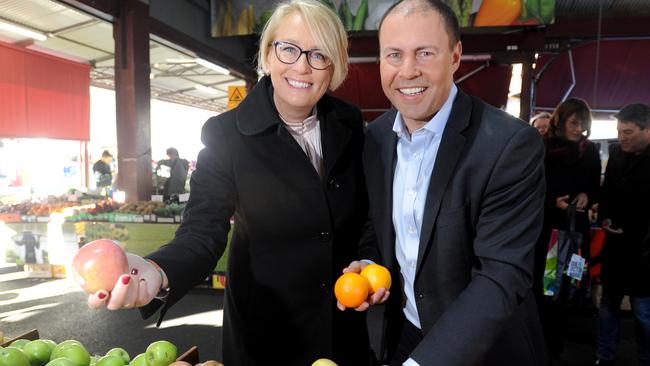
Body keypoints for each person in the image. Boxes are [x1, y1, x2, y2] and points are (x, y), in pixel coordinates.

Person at [77, 1, 373, 365]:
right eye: (288, 48)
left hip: (344, 327)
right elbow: (203, 232)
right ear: (268, 52)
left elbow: (365, 214)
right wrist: (158, 270)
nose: (302, 66)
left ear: (335, 66)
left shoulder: (348, 122)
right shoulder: (226, 135)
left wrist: (369, 261)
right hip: (268, 334)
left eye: (319, 55)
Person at [348, 1, 548, 365]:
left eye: (424, 53)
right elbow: (378, 226)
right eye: (394, 55)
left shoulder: (508, 145)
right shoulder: (376, 138)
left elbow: (502, 275)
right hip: (404, 335)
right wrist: (368, 261)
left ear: (455, 56)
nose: (407, 71)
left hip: (485, 347)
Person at [535, 97, 601, 358]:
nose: (579, 129)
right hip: (549, 230)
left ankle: (561, 340)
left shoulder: (591, 150)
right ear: (560, 121)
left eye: (583, 123)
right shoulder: (543, 148)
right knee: (548, 286)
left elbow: (595, 186)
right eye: (574, 122)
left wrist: (588, 196)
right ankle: (545, 344)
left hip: (577, 231)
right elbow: (534, 188)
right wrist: (553, 201)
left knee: (572, 281)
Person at [595, 103, 650, 366]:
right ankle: (603, 356)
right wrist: (604, 215)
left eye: (627, 132)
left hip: (645, 252)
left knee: (643, 312)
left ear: (647, 130)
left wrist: (633, 228)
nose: (621, 137)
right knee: (607, 306)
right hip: (615, 248)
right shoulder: (616, 154)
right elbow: (608, 193)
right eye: (619, 131)